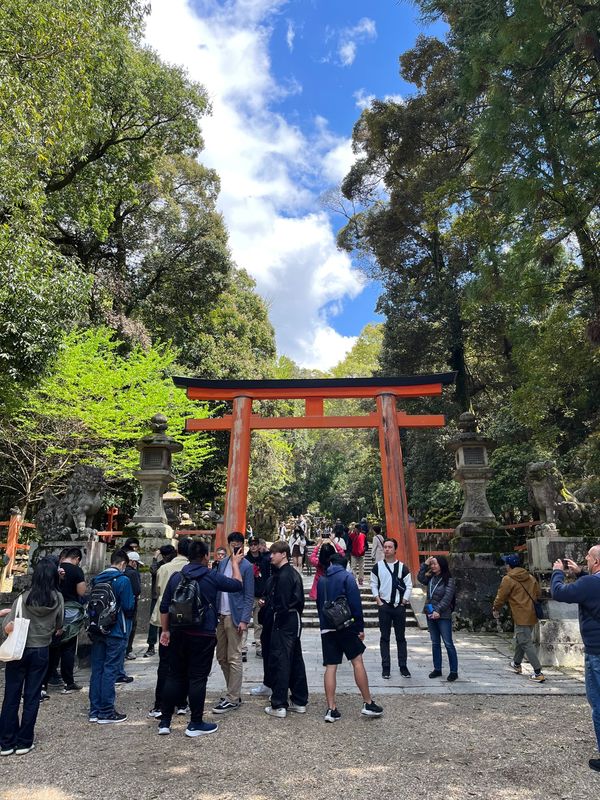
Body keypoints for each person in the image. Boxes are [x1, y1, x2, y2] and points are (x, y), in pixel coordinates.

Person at [158, 539, 245, 737]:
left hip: (178, 631)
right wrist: (234, 564)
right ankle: (195, 722)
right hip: (202, 633)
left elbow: (165, 607)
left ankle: (165, 721)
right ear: (206, 556)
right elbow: (237, 585)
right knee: (197, 678)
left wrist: (165, 631)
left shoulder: (176, 577)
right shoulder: (211, 576)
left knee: (174, 675)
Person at [0, 559, 64, 756]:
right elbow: (59, 626)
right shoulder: (57, 598)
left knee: (11, 695)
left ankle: (6, 741)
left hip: (19, 650)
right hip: (41, 649)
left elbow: (8, 628)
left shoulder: (23, 598)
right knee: (32, 695)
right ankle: (25, 741)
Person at [316, 544, 383, 722]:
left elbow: (319, 605)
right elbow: (355, 604)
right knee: (357, 661)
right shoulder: (347, 577)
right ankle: (368, 703)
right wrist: (359, 627)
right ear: (345, 564)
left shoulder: (322, 580)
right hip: (345, 626)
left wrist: (324, 625)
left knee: (330, 667)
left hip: (327, 627)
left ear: (330, 563)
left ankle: (331, 708)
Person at [551, 547, 600, 772]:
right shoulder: (591, 582)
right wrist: (581, 573)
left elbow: (559, 593)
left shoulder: (591, 584)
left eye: (588, 558)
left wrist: (558, 573)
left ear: (597, 562)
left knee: (598, 703)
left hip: (597, 651)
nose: (586, 560)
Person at [88, 549, 135, 724]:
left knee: (97, 669)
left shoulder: (97, 579)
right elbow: (129, 606)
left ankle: (94, 710)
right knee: (111, 669)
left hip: (97, 629)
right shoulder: (123, 580)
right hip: (116, 630)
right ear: (123, 563)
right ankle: (106, 711)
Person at [263, 541, 308, 718]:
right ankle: (299, 699)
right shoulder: (291, 574)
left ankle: (279, 703)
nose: (271, 556)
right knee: (295, 659)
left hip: (284, 619)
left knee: (281, 659)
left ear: (283, 554)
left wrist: (273, 612)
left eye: (274, 553)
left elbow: (281, 603)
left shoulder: (283, 576)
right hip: (293, 618)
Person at [147, 537, 192, 718]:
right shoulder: (192, 569)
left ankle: (160, 704)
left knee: (165, 663)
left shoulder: (164, 569)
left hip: (165, 619)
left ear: (177, 550)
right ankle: (182, 702)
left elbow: (158, 590)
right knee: (184, 662)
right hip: (186, 620)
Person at [213, 531, 254, 714]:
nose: (236, 546)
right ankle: (233, 692)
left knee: (234, 657)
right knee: (221, 657)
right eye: (233, 543)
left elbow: (249, 594)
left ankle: (232, 697)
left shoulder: (247, 566)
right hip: (220, 614)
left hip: (235, 616)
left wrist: (245, 619)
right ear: (229, 544)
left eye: (239, 543)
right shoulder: (222, 564)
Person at [492, 554, 545, 682]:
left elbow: (501, 596)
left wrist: (496, 608)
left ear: (509, 566)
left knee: (525, 642)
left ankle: (538, 672)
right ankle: (516, 664)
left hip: (520, 614)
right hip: (531, 614)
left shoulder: (508, 579)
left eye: (506, 564)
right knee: (521, 639)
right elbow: (538, 594)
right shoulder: (530, 577)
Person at [43, 547, 87, 695]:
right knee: (68, 645)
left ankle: (45, 682)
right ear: (77, 559)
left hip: (52, 608)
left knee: (53, 645)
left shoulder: (55, 568)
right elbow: (81, 592)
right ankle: (68, 682)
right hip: (70, 609)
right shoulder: (77, 571)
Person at [370, 538, 413, 679]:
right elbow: (373, 584)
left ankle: (403, 666)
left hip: (398, 606)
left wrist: (404, 600)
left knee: (401, 637)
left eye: (390, 547)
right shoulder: (377, 567)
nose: (387, 549)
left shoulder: (402, 567)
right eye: (385, 547)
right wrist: (378, 600)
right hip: (384, 605)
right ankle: (386, 666)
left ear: (395, 549)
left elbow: (409, 584)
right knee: (385, 637)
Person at [417, 555, 459, 681]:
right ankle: (437, 668)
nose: (433, 566)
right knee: (435, 643)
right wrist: (425, 564)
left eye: (435, 564)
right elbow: (420, 578)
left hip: (443, 615)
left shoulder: (449, 580)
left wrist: (438, 610)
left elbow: (447, 598)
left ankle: (453, 671)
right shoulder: (431, 578)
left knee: (448, 643)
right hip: (431, 614)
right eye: (432, 564)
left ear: (442, 565)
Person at [145, 544, 176, 657]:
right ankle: (151, 646)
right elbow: (153, 571)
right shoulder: (159, 565)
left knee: (167, 624)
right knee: (154, 623)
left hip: (171, 597)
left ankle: (166, 645)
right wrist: (155, 557)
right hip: (157, 597)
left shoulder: (174, 565)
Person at [244, 536, 271, 657]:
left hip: (260, 594)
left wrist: (266, 594)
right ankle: (242, 647)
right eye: (252, 544)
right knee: (243, 621)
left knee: (259, 623)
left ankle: (259, 647)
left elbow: (267, 577)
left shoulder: (265, 560)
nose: (254, 546)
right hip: (248, 595)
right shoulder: (245, 560)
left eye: (255, 544)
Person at [309, 533, 345, 600]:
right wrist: (334, 542)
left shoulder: (318, 563)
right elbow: (342, 553)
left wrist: (318, 545)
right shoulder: (336, 563)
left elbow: (312, 557)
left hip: (320, 590)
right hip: (333, 588)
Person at [124, 551, 142, 661]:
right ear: (132, 562)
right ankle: (128, 650)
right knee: (131, 626)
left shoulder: (120, 571)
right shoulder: (133, 573)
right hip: (131, 604)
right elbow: (137, 590)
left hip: (119, 604)